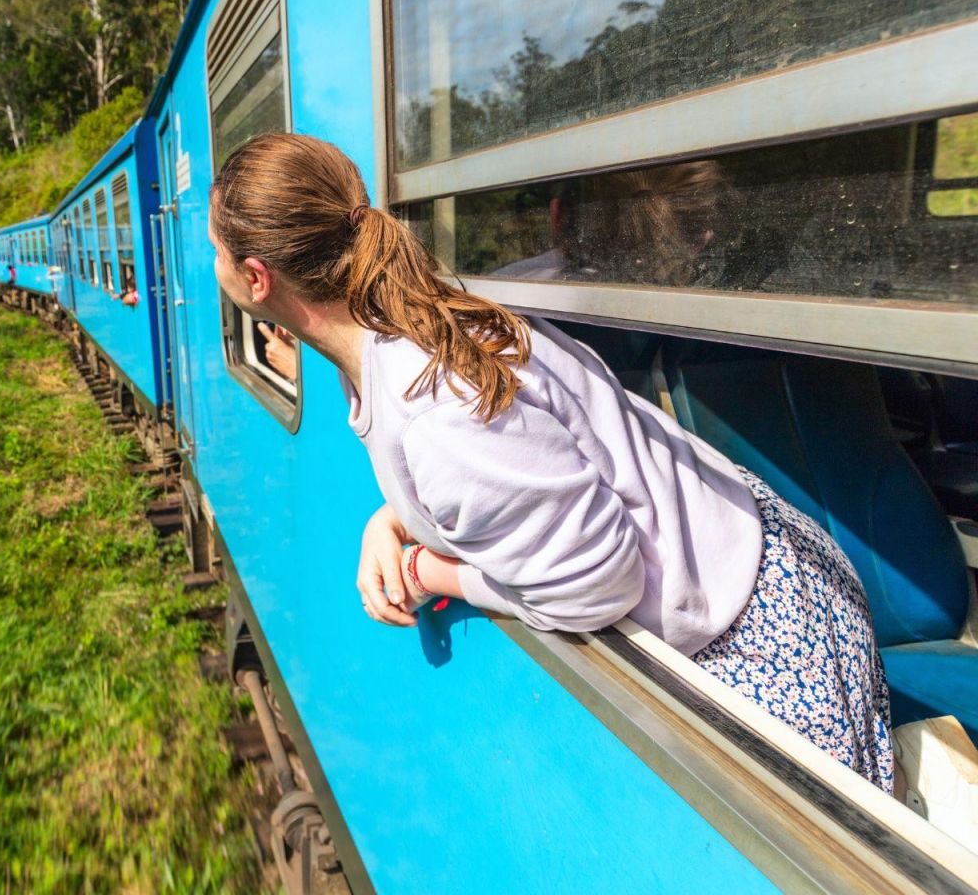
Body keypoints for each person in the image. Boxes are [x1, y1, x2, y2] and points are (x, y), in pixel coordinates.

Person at [207, 132, 894, 792]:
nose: (213, 265)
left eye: (216, 251)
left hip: (764, 635)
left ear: (256, 277)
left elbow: (597, 587)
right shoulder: (401, 327)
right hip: (749, 557)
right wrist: (392, 520)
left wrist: (428, 570)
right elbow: (522, 461)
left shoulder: (431, 412)